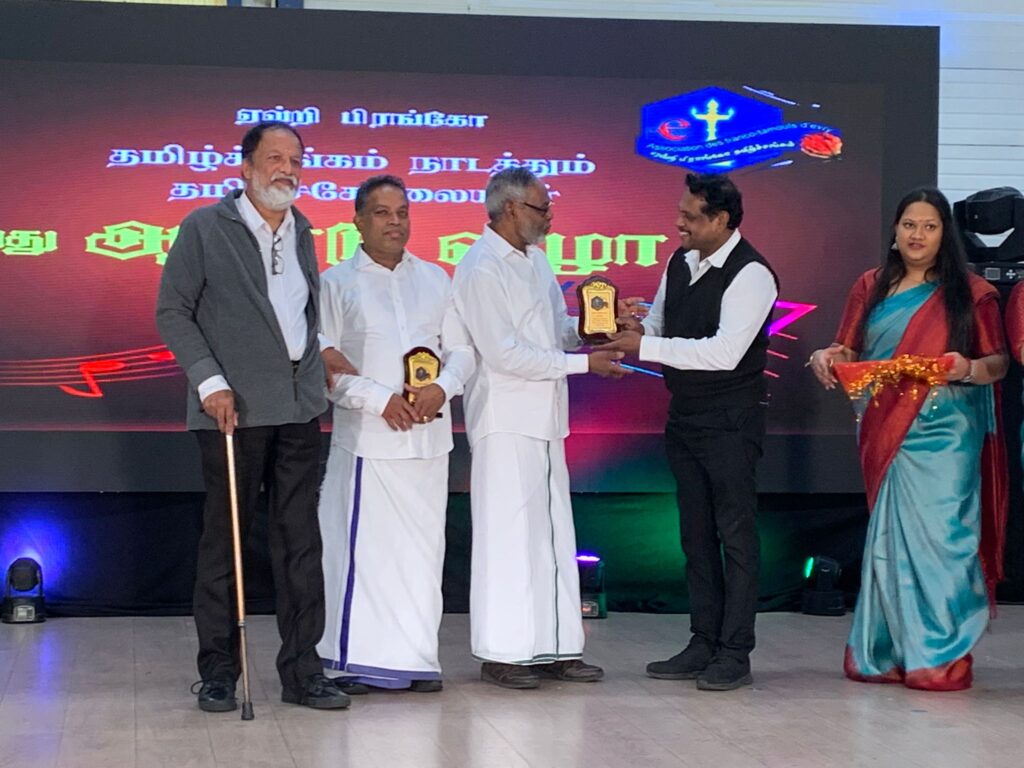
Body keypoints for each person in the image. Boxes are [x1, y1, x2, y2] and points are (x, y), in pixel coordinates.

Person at [156, 121, 353, 712]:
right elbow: (173, 311)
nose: (286, 169)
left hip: (298, 408)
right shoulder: (205, 227)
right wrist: (210, 382)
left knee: (300, 544)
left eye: (295, 159)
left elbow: (301, 318)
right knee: (227, 543)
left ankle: (303, 671)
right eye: (274, 158)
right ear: (246, 167)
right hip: (232, 411)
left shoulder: (303, 231)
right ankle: (219, 672)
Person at [809, 187, 1008, 691]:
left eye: (929, 226)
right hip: (886, 426)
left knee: (944, 539)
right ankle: (886, 654)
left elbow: (998, 364)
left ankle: (939, 656)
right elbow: (848, 347)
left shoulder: (972, 293)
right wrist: (825, 356)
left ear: (945, 235)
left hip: (948, 431)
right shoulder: (870, 286)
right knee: (891, 540)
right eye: (909, 225)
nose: (918, 235)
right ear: (895, 232)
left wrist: (965, 368)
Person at [451, 167, 630, 689]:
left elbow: (555, 333)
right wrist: (584, 365)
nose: (549, 218)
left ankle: (556, 647)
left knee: (551, 539)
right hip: (505, 419)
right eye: (541, 208)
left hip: (546, 417)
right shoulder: (480, 267)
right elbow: (503, 354)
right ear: (509, 208)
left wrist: (599, 326)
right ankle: (504, 652)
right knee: (508, 540)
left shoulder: (535, 259)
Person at [605, 172, 778, 691]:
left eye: (689, 216)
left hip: (731, 420)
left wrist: (645, 347)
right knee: (695, 535)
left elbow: (723, 353)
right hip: (685, 416)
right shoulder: (680, 261)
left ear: (720, 220)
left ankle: (735, 651)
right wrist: (632, 330)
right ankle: (703, 640)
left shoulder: (753, 274)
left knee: (735, 535)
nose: (678, 223)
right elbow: (661, 324)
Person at [316, 175, 474, 692]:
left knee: (423, 556)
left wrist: (444, 387)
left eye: (402, 212)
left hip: (429, 440)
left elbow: (462, 350)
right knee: (364, 556)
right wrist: (378, 399)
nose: (395, 223)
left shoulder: (435, 278)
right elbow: (324, 366)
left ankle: (416, 661)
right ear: (358, 221)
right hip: (370, 440)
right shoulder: (335, 283)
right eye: (383, 213)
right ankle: (352, 661)